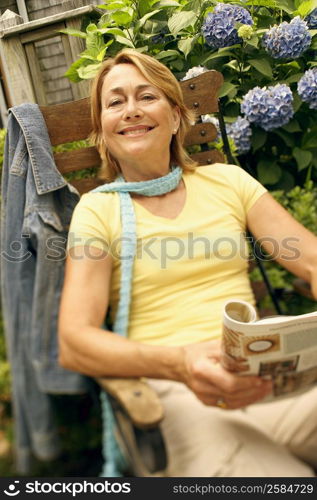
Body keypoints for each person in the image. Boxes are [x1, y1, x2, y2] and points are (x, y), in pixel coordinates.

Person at [58, 48, 317, 477]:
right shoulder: (96, 212)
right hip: (180, 395)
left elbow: (310, 260)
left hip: (268, 381)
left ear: (176, 116)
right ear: (103, 131)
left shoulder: (228, 182)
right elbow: (74, 341)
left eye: (146, 96)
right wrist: (180, 363)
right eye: (115, 102)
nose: (131, 110)